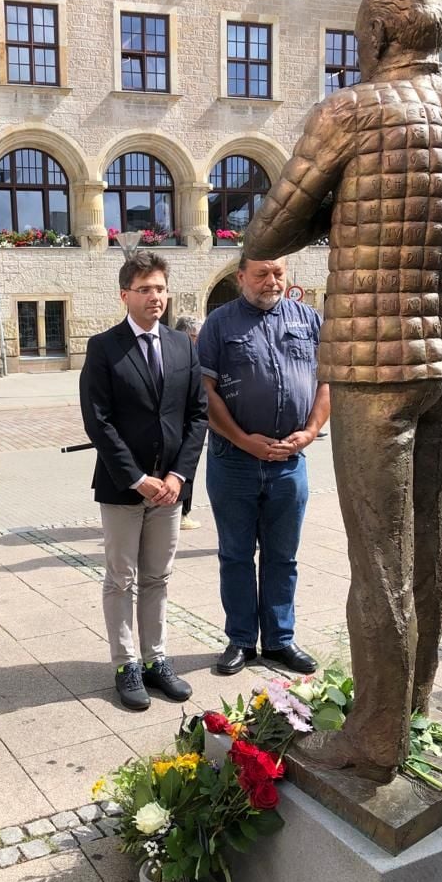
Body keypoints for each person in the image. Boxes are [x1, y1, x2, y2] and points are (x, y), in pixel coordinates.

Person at [243, 0, 442, 782]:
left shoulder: (352, 110)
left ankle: (377, 734)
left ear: (377, 34)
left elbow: (266, 235)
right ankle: (411, 703)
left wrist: (331, 213)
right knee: (431, 534)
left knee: (379, 556)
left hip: (377, 366)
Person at [80, 251, 208, 710]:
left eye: (160, 288)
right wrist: (136, 478)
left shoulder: (181, 346)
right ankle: (126, 663)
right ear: (125, 295)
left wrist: (178, 474)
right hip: (123, 487)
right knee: (121, 578)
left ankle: (156, 659)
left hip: (171, 489)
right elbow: (99, 421)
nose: (155, 297)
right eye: (145, 289)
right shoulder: (104, 348)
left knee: (158, 577)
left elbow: (197, 415)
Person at [196, 255, 329, 678]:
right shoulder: (219, 324)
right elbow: (205, 391)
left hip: (290, 462)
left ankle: (279, 640)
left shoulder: (308, 319)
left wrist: (309, 431)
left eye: (278, 273)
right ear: (241, 279)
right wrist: (242, 439)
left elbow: (328, 382)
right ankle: (239, 640)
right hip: (233, 461)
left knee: (282, 556)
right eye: (261, 274)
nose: (271, 281)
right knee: (235, 555)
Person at [174, 315, 203, 531]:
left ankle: (182, 511)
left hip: (188, 422)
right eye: (194, 336)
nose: (197, 341)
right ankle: (182, 514)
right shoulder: (179, 354)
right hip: (180, 424)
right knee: (184, 469)